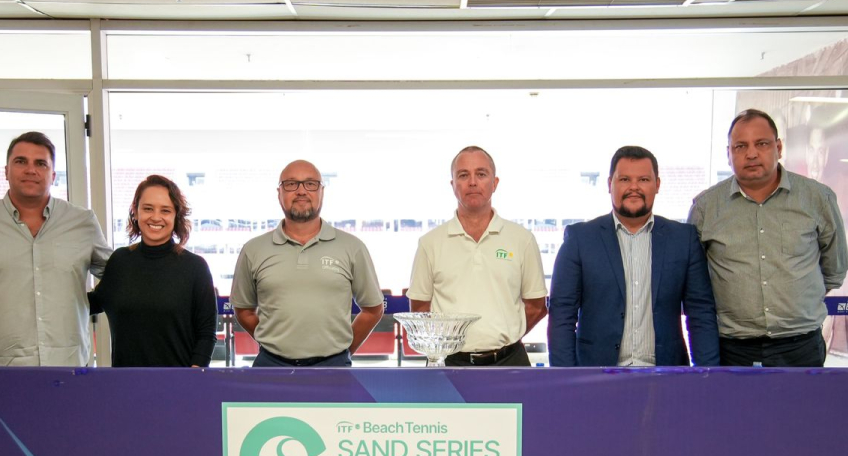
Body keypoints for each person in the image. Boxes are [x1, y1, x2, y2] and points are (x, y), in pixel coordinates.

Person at [688, 109, 848, 367]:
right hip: (733, 350)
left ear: (779, 147)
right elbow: (695, 282)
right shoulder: (706, 208)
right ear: (728, 154)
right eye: (740, 146)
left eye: (761, 144)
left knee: (800, 409)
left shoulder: (818, 199)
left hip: (801, 348)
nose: (751, 153)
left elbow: (834, 270)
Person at [0, 131, 110, 366]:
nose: (31, 170)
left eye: (40, 163)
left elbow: (118, 278)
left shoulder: (83, 222)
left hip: (69, 371)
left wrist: (92, 301)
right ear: (6, 171)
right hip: (0, 376)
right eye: (21, 161)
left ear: (53, 175)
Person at [548, 145, 718, 367]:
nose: (634, 187)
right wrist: (565, 379)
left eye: (644, 180)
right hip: (597, 376)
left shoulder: (683, 239)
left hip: (666, 376)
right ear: (610, 184)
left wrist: (707, 377)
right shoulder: (580, 239)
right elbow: (562, 316)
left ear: (657, 185)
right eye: (625, 179)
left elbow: (700, 314)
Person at [230, 159, 383, 367]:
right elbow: (244, 310)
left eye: (310, 183)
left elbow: (373, 308)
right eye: (291, 184)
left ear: (322, 192)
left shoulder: (352, 247)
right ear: (279, 193)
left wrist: (343, 351)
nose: (301, 191)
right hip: (271, 366)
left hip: (333, 367)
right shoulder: (253, 249)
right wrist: (274, 342)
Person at [407, 145, 547, 366]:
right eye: (463, 175)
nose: (472, 182)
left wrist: (505, 335)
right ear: (453, 185)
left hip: (509, 362)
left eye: (481, 174)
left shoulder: (522, 239)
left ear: (495, 183)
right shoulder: (430, 243)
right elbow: (420, 310)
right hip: (449, 364)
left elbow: (537, 306)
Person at [89, 174, 217, 367]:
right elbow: (94, 302)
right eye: (148, 208)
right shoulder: (120, 261)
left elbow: (206, 333)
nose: (156, 217)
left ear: (176, 216)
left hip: (177, 385)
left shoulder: (195, 267)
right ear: (135, 211)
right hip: (125, 385)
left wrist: (193, 380)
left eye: (165, 210)